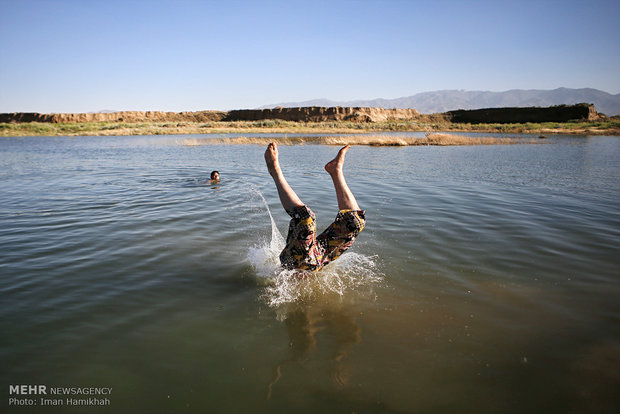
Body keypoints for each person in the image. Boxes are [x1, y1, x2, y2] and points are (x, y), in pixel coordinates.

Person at [264, 142, 365, 272]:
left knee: (306, 218)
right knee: (355, 222)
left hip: (301, 262)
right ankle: (275, 170)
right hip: (317, 258)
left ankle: (335, 170)